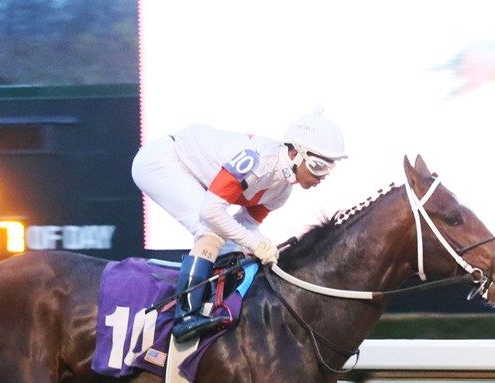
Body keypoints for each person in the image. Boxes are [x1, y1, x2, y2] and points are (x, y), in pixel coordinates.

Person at [131, 109, 346, 342]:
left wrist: (262, 243)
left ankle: (214, 309)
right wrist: (255, 243)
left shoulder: (281, 192)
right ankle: (185, 317)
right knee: (211, 230)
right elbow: (211, 212)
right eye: (318, 167)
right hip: (161, 161)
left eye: (328, 169)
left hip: (190, 173)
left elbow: (245, 224)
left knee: (233, 245)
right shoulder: (258, 162)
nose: (321, 177)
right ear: (295, 153)